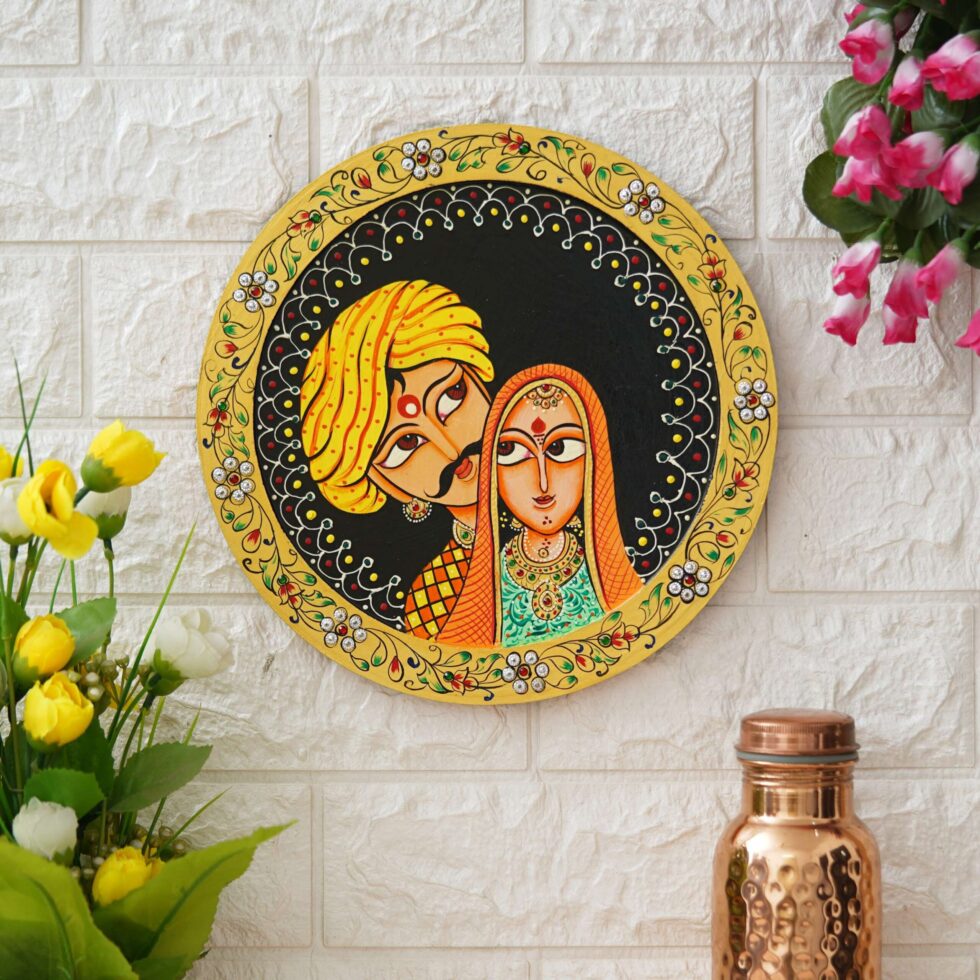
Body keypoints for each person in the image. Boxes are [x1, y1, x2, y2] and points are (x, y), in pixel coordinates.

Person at [300, 280, 494, 638]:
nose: (450, 449)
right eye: (406, 443)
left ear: (479, 380)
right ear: (384, 482)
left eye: (452, 396)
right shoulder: (435, 602)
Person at [439, 364, 641, 647]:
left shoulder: (619, 589)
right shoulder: (484, 595)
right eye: (511, 452)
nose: (542, 482)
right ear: (491, 470)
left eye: (561, 449)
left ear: (596, 457)